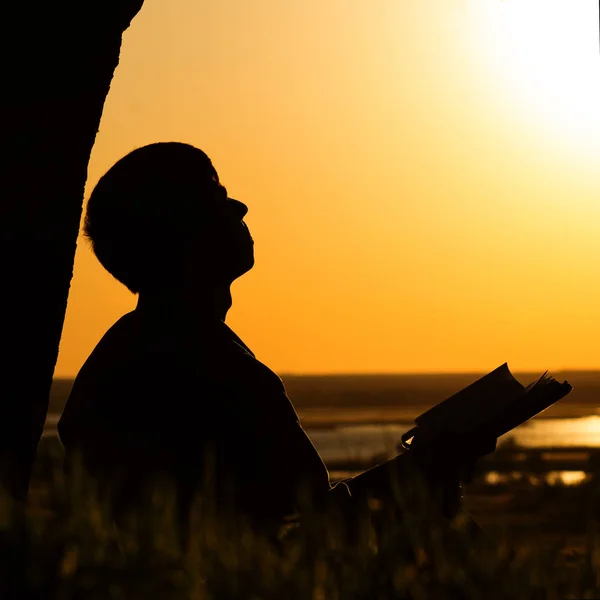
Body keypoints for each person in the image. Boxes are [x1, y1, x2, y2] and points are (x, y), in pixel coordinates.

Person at [58, 142, 495, 546]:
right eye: (215, 198)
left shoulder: (148, 350)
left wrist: (422, 474)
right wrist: (423, 481)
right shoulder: (198, 366)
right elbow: (292, 535)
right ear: (178, 230)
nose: (240, 206)